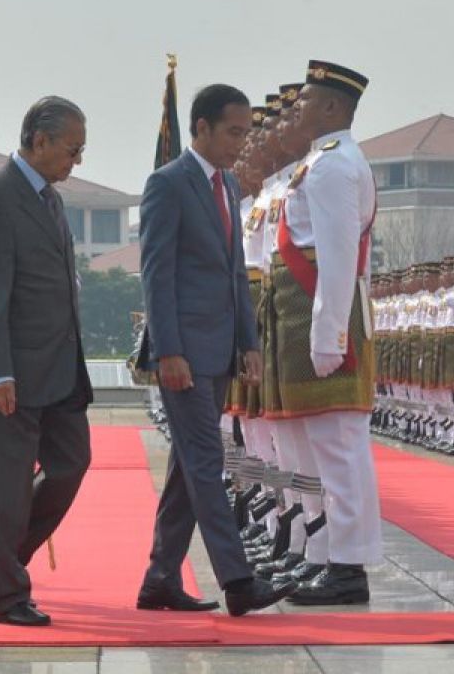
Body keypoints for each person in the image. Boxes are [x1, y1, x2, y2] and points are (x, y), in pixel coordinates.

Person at [138, 83, 296, 616]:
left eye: (245, 133)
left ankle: (160, 578)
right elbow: (157, 275)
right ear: (200, 128)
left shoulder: (227, 185)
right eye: (232, 132)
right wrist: (168, 350)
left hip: (220, 350)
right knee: (206, 462)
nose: (240, 143)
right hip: (183, 353)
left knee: (189, 471)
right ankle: (237, 580)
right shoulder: (168, 184)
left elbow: (233, 271)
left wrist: (248, 342)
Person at [0, 96, 93, 627]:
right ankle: (7, 594)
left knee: (72, 463)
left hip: (59, 368)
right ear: (40, 141)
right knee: (10, 487)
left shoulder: (51, 199)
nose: (76, 162)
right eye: (72, 149)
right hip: (12, 372)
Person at [273, 60, 381, 605]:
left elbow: (338, 259)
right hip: (311, 316)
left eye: (307, 101)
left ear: (334, 108)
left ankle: (349, 567)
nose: (299, 109)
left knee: (339, 448)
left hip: (326, 319)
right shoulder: (320, 162)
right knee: (324, 449)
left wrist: (329, 336)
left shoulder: (335, 166)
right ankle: (334, 558)